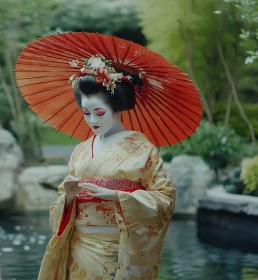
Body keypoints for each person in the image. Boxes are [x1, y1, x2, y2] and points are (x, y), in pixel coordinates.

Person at [37, 56, 176, 280]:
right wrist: (68, 198)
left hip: (119, 250)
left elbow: (165, 199)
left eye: (99, 113)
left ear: (118, 108)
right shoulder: (81, 151)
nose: (92, 120)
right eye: (86, 113)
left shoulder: (142, 149)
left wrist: (118, 196)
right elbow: (60, 203)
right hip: (80, 251)